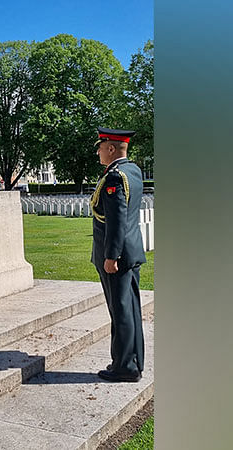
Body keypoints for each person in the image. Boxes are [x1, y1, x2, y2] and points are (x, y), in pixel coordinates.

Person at [90, 126, 147, 382]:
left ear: (111, 148)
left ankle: (124, 367)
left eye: (101, 148)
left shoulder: (114, 177)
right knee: (131, 309)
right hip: (131, 251)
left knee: (121, 311)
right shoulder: (132, 171)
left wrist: (110, 257)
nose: (99, 153)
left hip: (117, 257)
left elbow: (116, 220)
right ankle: (134, 361)